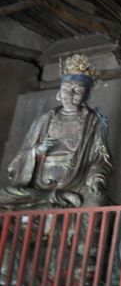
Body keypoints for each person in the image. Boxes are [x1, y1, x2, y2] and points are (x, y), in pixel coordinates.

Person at [0, 54, 111, 209]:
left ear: (87, 94)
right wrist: (38, 151)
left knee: (97, 204)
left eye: (77, 91)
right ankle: (56, 196)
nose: (70, 96)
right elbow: (20, 158)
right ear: (59, 92)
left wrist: (97, 179)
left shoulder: (94, 122)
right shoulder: (45, 120)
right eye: (65, 90)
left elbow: (101, 159)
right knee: (4, 196)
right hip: (39, 184)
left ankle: (60, 196)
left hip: (78, 183)